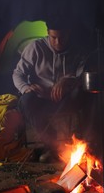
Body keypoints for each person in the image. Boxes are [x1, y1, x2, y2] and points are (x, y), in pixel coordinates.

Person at [12, 16, 87, 151]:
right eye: (54, 37)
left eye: (62, 37)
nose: (58, 42)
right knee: (25, 100)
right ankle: (52, 146)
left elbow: (82, 76)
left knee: (87, 93)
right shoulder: (36, 48)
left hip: (65, 100)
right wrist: (27, 88)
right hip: (40, 100)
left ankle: (87, 142)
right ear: (48, 33)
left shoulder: (77, 51)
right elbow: (18, 74)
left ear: (68, 33)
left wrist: (67, 81)